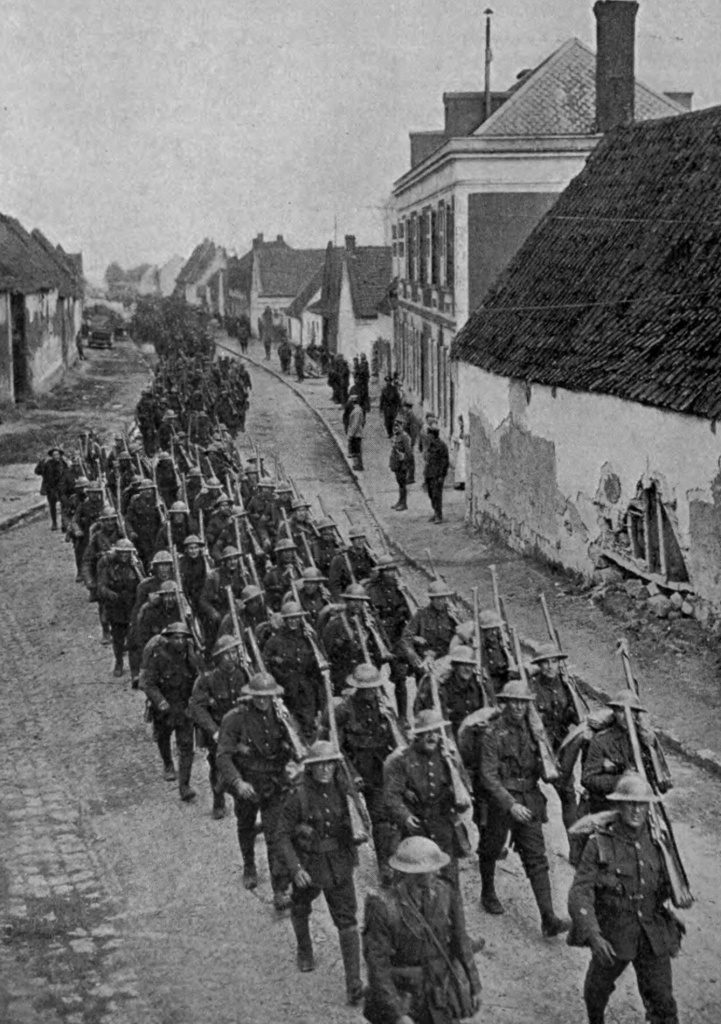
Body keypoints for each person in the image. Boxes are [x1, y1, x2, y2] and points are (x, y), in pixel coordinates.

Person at [568, 773, 684, 1024]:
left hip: (651, 933)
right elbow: (580, 892)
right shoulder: (599, 842)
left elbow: (669, 885)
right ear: (618, 805)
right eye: (630, 803)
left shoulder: (658, 841)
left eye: (642, 804)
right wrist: (594, 936)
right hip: (614, 933)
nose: (636, 810)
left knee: (663, 1001)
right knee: (596, 992)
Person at [477, 679, 569, 936]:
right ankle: (487, 891)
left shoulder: (534, 731)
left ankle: (548, 917)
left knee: (536, 856)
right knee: (492, 847)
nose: (518, 707)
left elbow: (544, 767)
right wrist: (510, 804)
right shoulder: (492, 733)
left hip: (529, 797)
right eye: (513, 701)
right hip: (501, 802)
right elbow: (488, 776)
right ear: (505, 703)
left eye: (523, 702)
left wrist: (548, 761)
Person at [276, 740, 364, 1005]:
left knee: (347, 922)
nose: (326, 769)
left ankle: (354, 984)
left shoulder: (342, 788)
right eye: (320, 765)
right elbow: (281, 835)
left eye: (330, 764)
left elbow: (360, 821)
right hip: (309, 863)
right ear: (310, 767)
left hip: (339, 863)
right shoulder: (298, 795)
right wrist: (296, 868)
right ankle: (305, 950)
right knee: (301, 906)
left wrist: (359, 829)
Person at [362, 836, 482, 1024]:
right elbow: (377, 964)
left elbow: (461, 941)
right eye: (427, 870)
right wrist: (397, 1013)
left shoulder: (445, 892)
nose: (435, 873)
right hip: (403, 995)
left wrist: (473, 987)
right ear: (409, 873)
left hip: (438, 993)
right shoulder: (382, 906)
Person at [216, 671, 297, 908]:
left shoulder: (281, 715)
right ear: (251, 696)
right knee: (246, 826)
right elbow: (223, 756)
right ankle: (249, 864)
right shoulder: (235, 718)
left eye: (267, 697)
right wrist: (238, 783)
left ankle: (280, 889)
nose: (263, 701)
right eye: (258, 697)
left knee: (276, 836)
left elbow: (294, 745)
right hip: (248, 784)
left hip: (274, 783)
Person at [328, 663, 400, 883]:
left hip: (378, 770)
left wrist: (391, 718)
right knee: (343, 818)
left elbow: (395, 739)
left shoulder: (383, 706)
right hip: (353, 769)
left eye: (374, 687)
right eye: (367, 688)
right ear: (357, 688)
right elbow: (336, 748)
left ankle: (385, 864)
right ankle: (344, 863)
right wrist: (351, 773)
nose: (371, 692)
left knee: (381, 818)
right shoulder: (343, 710)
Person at [384, 708, 470, 886]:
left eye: (436, 732)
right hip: (415, 828)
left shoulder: (449, 756)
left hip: (443, 826)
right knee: (412, 880)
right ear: (417, 736)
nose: (432, 736)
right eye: (426, 733)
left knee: (449, 881)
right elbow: (392, 796)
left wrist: (452, 766)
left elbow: (463, 793)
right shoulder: (401, 760)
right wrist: (405, 816)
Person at [139, 621, 203, 800]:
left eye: (183, 638)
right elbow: (148, 683)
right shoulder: (158, 656)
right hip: (165, 709)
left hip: (184, 708)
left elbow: (199, 679)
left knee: (186, 747)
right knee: (163, 737)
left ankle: (184, 786)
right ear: (169, 639)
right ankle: (167, 763)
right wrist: (160, 702)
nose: (180, 642)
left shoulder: (190, 657)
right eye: (176, 638)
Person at [188, 635, 247, 819]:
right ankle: (218, 799)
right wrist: (213, 731)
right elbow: (197, 707)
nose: (233, 656)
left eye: (234, 652)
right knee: (217, 767)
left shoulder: (243, 674)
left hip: (239, 731)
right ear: (220, 658)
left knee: (242, 768)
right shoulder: (207, 680)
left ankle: (242, 808)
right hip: (218, 732)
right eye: (228, 653)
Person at [96, 538, 142, 677]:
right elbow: (101, 586)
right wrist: (110, 594)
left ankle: (135, 667)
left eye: (127, 553)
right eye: (121, 553)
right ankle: (119, 662)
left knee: (134, 638)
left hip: (131, 606)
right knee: (118, 639)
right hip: (116, 607)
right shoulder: (109, 566)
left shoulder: (135, 565)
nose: (124, 556)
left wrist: (137, 567)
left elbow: (143, 583)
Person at [35, 447, 67, 531]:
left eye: (57, 454)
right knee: (52, 506)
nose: (56, 456)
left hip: (61, 487)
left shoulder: (63, 463)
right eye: (54, 455)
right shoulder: (47, 463)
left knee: (64, 505)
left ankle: (64, 522)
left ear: (60, 455)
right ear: (52, 456)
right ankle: (54, 523)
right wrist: (40, 462)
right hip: (51, 488)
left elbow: (67, 472)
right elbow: (38, 471)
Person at [424, 424, 449, 524]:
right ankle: (435, 512)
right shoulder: (429, 445)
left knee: (436, 495)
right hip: (429, 473)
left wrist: (442, 475)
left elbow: (445, 462)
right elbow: (426, 459)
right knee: (431, 494)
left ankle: (439, 515)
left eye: (429, 435)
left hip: (437, 475)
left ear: (434, 435)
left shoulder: (442, 446)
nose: (428, 436)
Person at [389, 419, 412, 512]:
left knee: (402, 484)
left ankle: (404, 503)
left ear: (402, 426)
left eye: (397, 426)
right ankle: (400, 501)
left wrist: (404, 457)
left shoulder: (405, 437)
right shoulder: (396, 436)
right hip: (396, 464)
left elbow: (409, 452)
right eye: (394, 426)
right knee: (400, 484)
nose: (395, 428)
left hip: (402, 464)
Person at [346, 395, 365, 472]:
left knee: (356, 451)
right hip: (357, 433)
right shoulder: (358, 410)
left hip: (356, 434)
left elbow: (355, 424)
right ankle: (357, 465)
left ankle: (358, 466)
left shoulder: (357, 411)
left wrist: (351, 434)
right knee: (356, 451)